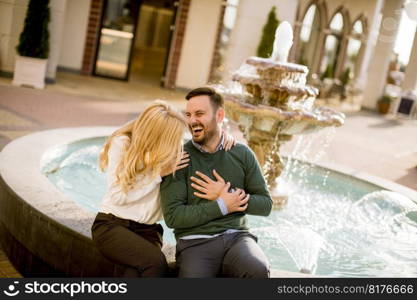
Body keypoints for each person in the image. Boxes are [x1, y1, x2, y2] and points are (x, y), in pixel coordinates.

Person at [91, 100, 236, 277]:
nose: (177, 144)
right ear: (158, 135)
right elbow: (118, 196)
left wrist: (223, 140)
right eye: (172, 139)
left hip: (148, 232)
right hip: (113, 225)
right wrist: (157, 174)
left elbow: (203, 151)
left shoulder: (170, 154)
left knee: (137, 272)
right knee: (155, 263)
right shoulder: (123, 144)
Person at [160, 87, 273, 278]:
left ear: (219, 115)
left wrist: (227, 193)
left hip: (238, 238)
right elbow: (173, 216)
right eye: (188, 114)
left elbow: (266, 205)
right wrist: (222, 205)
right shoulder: (179, 159)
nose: (192, 120)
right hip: (195, 242)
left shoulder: (242, 154)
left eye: (199, 114)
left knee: (257, 269)